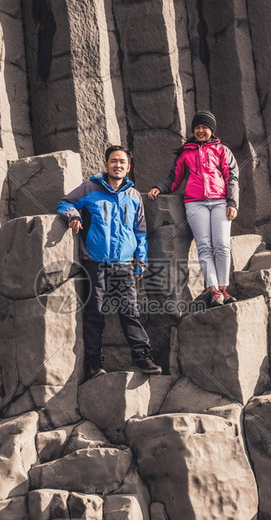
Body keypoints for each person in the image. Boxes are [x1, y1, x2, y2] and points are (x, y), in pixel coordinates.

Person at [57, 145, 162, 379]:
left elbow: (141, 232)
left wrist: (140, 262)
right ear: (106, 165)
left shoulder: (134, 196)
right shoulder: (90, 188)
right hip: (95, 261)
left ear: (128, 167)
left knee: (130, 312)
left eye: (122, 162)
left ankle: (141, 357)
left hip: (125, 264)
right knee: (95, 313)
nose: (118, 165)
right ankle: (95, 364)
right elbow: (65, 203)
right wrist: (73, 217)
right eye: (114, 161)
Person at [148, 111, 239, 307]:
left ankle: (224, 288)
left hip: (220, 201)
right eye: (197, 127)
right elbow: (174, 179)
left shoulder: (222, 150)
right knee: (204, 246)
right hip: (195, 203)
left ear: (211, 130)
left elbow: (232, 177)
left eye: (204, 127)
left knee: (222, 245)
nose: (200, 130)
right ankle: (214, 291)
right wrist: (159, 187)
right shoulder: (185, 153)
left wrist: (232, 203)